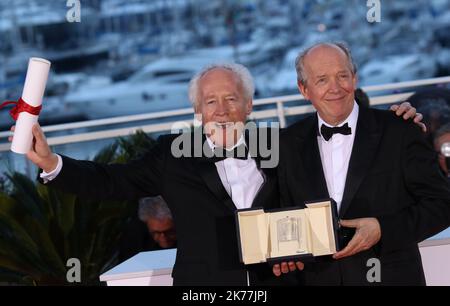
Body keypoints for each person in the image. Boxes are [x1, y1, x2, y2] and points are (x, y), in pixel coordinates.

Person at [9, 62, 422, 286]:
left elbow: (345, 145)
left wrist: (401, 118)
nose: (221, 110)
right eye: (210, 101)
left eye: (231, 99)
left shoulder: (285, 145)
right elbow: (112, 180)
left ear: (248, 107)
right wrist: (52, 164)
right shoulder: (172, 155)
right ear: (198, 111)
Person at [274, 42, 450, 285]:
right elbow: (280, 212)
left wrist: (382, 229)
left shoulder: (400, 129)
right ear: (304, 89)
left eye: (342, 76)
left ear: (354, 79)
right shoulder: (286, 143)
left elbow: (442, 204)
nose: (335, 88)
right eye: (322, 80)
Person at [118, 196, 176, 263]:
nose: (163, 238)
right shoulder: (134, 237)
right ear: (146, 223)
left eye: (169, 232)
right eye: (156, 233)